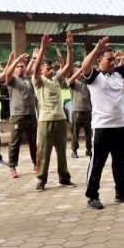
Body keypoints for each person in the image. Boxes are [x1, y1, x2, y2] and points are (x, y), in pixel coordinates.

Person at [74, 34, 124, 209]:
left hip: (121, 127)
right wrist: (96, 49)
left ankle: (121, 193)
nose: (112, 62)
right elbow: (85, 66)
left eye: (113, 60)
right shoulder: (94, 77)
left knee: (119, 163)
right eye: (109, 60)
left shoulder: (120, 73)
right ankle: (92, 196)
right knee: (97, 163)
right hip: (102, 128)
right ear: (99, 61)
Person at [32, 32, 76, 192]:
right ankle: (41, 180)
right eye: (48, 69)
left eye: (52, 69)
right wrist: (43, 48)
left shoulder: (56, 80)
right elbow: (36, 67)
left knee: (62, 152)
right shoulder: (38, 81)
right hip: (45, 121)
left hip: (60, 120)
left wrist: (70, 48)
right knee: (44, 152)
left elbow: (69, 67)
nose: (51, 71)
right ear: (43, 70)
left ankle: (64, 178)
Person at [3, 51, 38, 178]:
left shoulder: (29, 79)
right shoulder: (12, 81)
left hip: (31, 115)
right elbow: (7, 73)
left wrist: (34, 59)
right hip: (17, 116)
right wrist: (16, 61)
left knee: (33, 141)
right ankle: (12, 166)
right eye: (17, 67)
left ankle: (36, 164)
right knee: (15, 142)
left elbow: (32, 70)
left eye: (21, 66)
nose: (19, 68)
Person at [68, 63, 92, 159]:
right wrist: (80, 70)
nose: (80, 73)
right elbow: (71, 80)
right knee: (75, 132)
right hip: (76, 110)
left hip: (87, 110)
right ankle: (74, 150)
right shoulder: (73, 82)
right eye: (77, 71)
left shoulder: (87, 82)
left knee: (89, 132)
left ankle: (89, 149)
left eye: (81, 71)